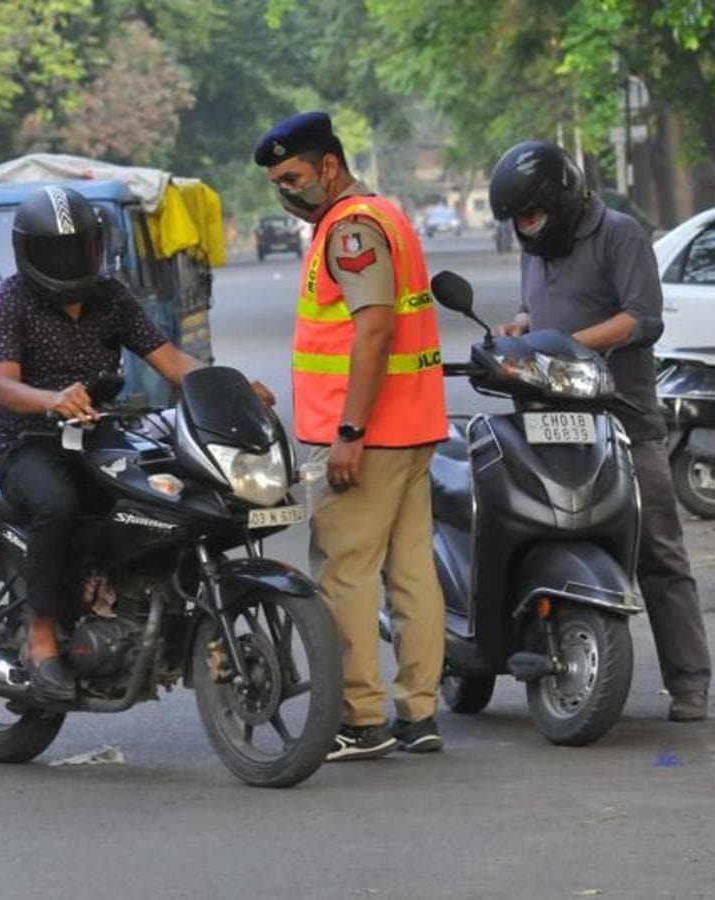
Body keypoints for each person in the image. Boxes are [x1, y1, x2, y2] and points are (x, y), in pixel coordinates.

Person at [0, 185, 274, 702]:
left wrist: (235, 386)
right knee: (56, 505)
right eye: (56, 251)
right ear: (30, 252)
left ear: (96, 246)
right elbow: (2, 385)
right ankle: (42, 632)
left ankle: (116, 597)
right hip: (27, 442)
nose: (70, 261)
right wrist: (52, 398)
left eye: (80, 248)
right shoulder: (10, 302)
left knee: (156, 498)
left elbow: (172, 362)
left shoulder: (111, 296)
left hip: (97, 437)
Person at [490, 139, 712, 722]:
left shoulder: (620, 233)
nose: (526, 230)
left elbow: (642, 318)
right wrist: (521, 328)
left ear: (561, 200)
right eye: (518, 222)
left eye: (532, 216)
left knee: (659, 550)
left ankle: (689, 682)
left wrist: (562, 346)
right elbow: (538, 313)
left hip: (624, 423)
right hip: (549, 422)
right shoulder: (536, 247)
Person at [255, 111, 448, 760]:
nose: (287, 191)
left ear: (329, 168)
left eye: (295, 177)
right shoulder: (387, 214)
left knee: (346, 574)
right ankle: (419, 715)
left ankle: (360, 719)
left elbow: (374, 329)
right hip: (414, 428)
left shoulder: (351, 229)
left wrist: (348, 432)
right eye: (278, 182)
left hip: (369, 439)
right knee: (413, 572)